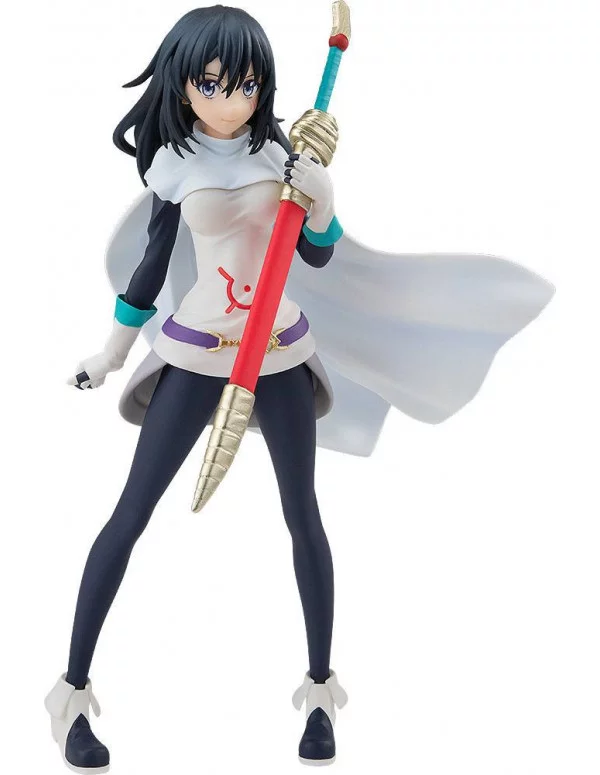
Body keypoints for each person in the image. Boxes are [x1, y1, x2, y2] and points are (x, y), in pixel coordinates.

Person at [44, 5, 554, 772]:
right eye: (213, 83)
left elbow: (315, 255)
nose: (232, 99)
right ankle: (70, 694)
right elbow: (150, 270)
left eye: (247, 84)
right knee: (131, 513)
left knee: (302, 515)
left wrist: (323, 203)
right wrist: (113, 352)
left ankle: (319, 691)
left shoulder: (279, 151)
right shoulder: (176, 164)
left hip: (279, 350)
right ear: (182, 84)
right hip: (198, 349)